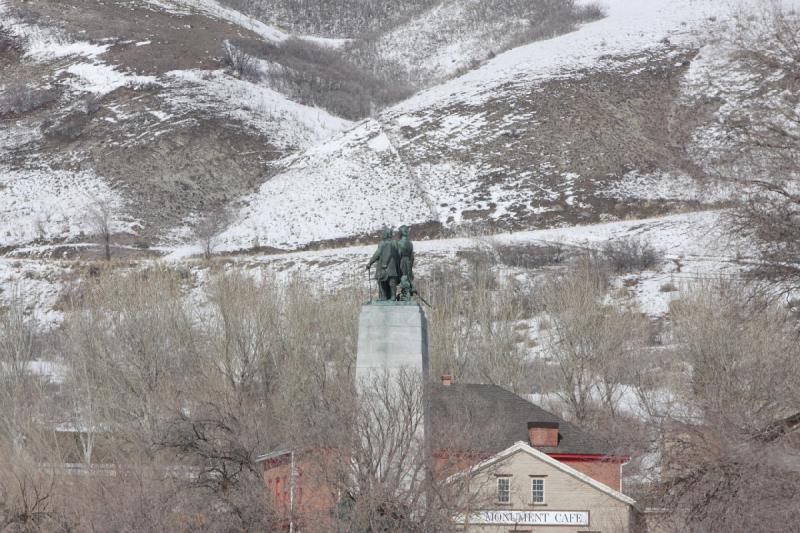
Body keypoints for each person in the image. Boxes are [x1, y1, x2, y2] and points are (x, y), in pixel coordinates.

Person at [366, 227, 400, 300]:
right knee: (392, 281)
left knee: (382, 281)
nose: (382, 235)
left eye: (383, 233)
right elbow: (398, 255)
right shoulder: (395, 243)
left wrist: (370, 263)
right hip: (393, 266)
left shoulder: (382, 243)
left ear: (386, 234)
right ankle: (393, 296)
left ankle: (384, 297)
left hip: (383, 266)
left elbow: (377, 254)